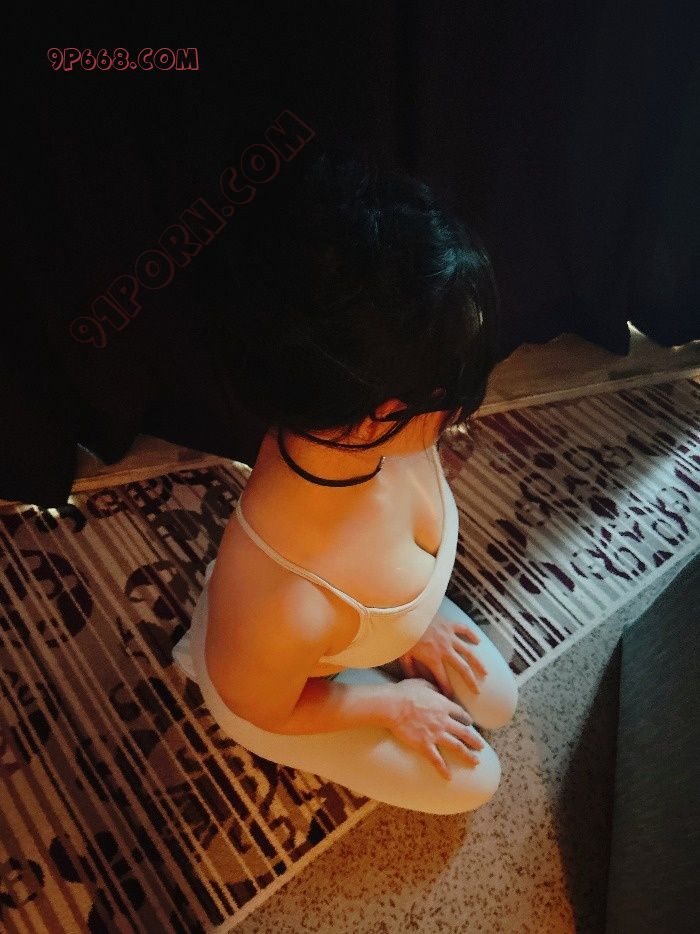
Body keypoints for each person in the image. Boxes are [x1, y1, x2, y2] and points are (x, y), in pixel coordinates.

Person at [172, 150, 518, 814]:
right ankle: (247, 647)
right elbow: (264, 707)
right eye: (449, 380)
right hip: (272, 691)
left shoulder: (356, 420)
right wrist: (393, 704)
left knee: (499, 701)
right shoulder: (284, 605)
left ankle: (385, 639)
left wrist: (411, 628)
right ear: (382, 410)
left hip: (348, 624)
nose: (461, 408)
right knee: (477, 783)